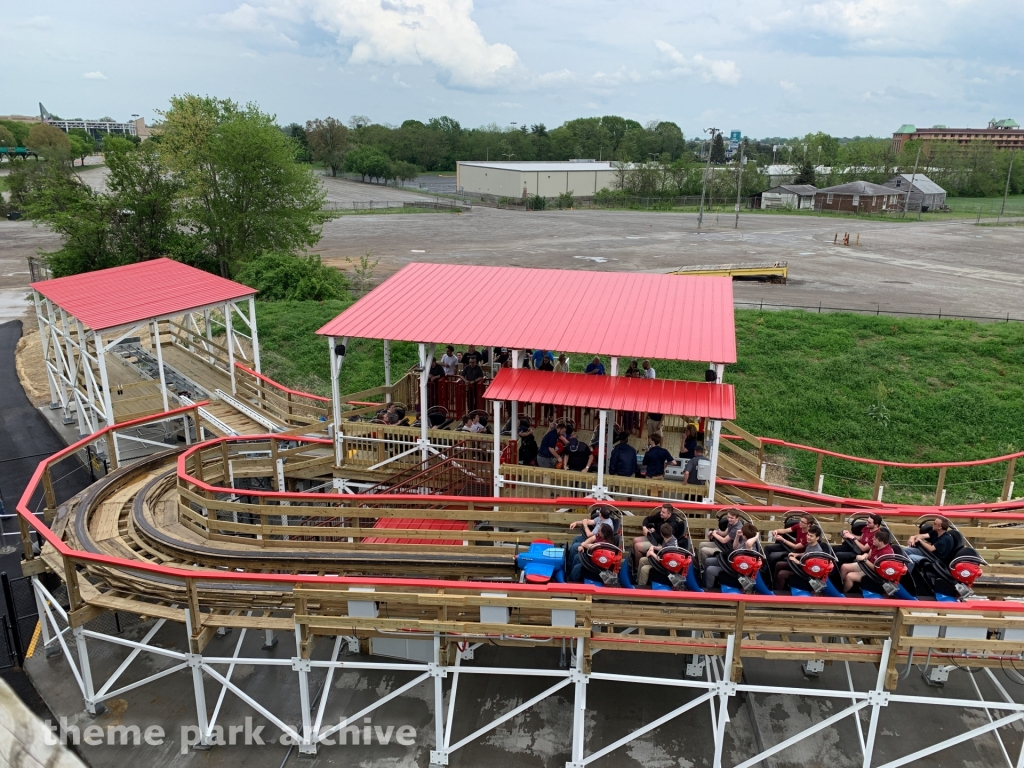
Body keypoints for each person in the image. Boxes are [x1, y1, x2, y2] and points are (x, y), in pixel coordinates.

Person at [703, 523, 759, 590]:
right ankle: (703, 583)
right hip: (731, 563)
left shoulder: (750, 547)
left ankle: (709, 589)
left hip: (736, 572)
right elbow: (735, 548)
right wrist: (737, 536)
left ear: (745, 536)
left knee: (710, 570)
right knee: (708, 561)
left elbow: (748, 543)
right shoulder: (744, 541)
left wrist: (756, 536)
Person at [841, 529, 895, 593]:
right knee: (844, 567)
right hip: (866, 565)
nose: (873, 540)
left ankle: (844, 593)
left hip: (873, 573)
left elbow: (876, 569)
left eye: (875, 539)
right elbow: (869, 554)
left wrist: (864, 560)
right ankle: (841, 585)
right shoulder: (875, 545)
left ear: (881, 542)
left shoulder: (886, 555)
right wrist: (864, 556)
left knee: (849, 576)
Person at [774, 525, 826, 590]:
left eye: (811, 536)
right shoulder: (810, 544)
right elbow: (806, 554)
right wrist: (797, 554)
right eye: (808, 535)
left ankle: (779, 593)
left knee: (781, 574)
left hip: (805, 573)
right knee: (779, 564)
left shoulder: (816, 552)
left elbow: (809, 568)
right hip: (802, 565)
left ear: (817, 538)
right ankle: (774, 585)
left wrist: (795, 560)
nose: (808, 537)